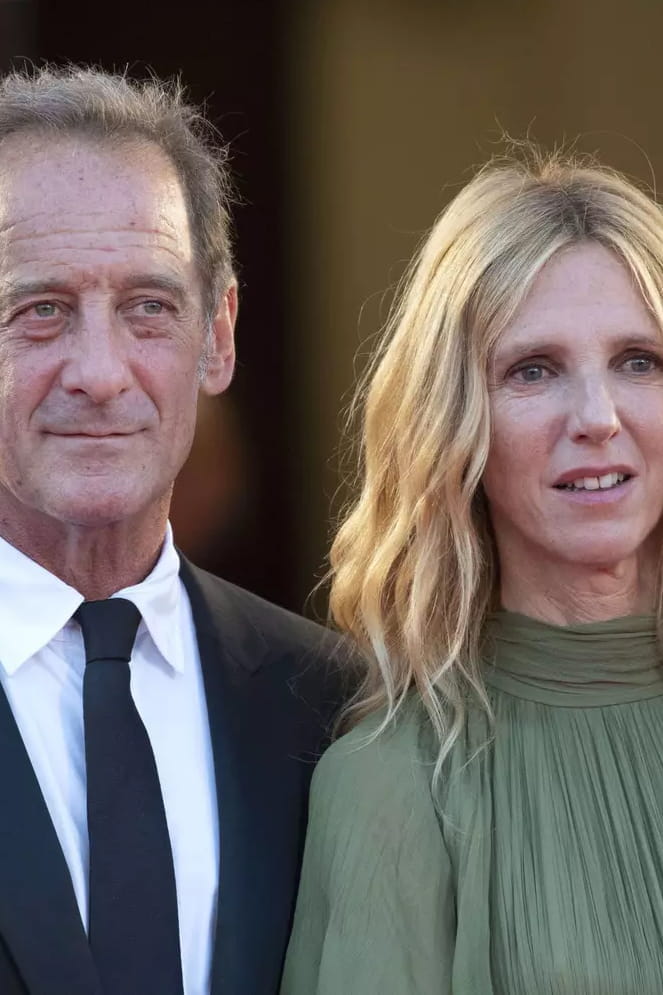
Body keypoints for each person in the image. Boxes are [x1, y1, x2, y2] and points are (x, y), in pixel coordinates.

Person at [281, 147, 663, 994]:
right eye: (533, 370)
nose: (597, 417)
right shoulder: (394, 786)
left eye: (638, 360)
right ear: (454, 426)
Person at [0, 65, 345, 995]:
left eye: (148, 307)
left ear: (218, 335)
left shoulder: (333, 707)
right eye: (41, 310)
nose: (100, 373)